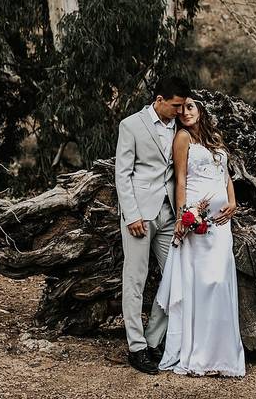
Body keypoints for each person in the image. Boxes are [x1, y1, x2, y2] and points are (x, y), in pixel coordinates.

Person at [154, 97, 245, 377]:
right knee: (204, 284)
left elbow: (225, 175)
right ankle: (200, 353)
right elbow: (180, 179)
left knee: (221, 280)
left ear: (201, 110)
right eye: (181, 110)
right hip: (198, 221)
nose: (185, 113)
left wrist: (232, 202)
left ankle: (223, 353)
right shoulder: (182, 138)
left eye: (190, 107)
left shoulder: (214, 138)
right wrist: (184, 215)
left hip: (222, 223)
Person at [114, 76, 190, 375]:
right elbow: (123, 173)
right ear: (159, 100)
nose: (180, 111)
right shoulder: (130, 125)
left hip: (169, 214)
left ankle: (154, 340)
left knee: (175, 277)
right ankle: (136, 347)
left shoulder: (180, 128)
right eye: (175, 105)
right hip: (139, 216)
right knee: (135, 280)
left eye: (183, 106)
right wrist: (131, 214)